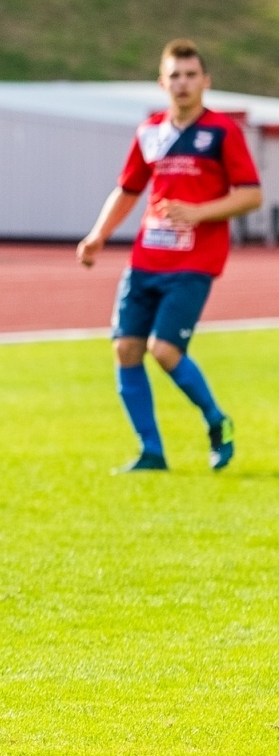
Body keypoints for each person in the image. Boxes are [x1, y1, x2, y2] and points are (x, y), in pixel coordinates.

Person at [77, 39, 262, 473]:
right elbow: (128, 190)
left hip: (194, 263)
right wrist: (98, 235)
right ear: (162, 82)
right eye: (175, 76)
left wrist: (199, 212)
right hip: (146, 259)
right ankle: (151, 452)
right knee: (126, 348)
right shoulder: (150, 132)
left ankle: (217, 422)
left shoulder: (221, 132)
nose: (182, 84)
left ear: (206, 82)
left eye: (191, 75)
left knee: (164, 349)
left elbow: (252, 195)